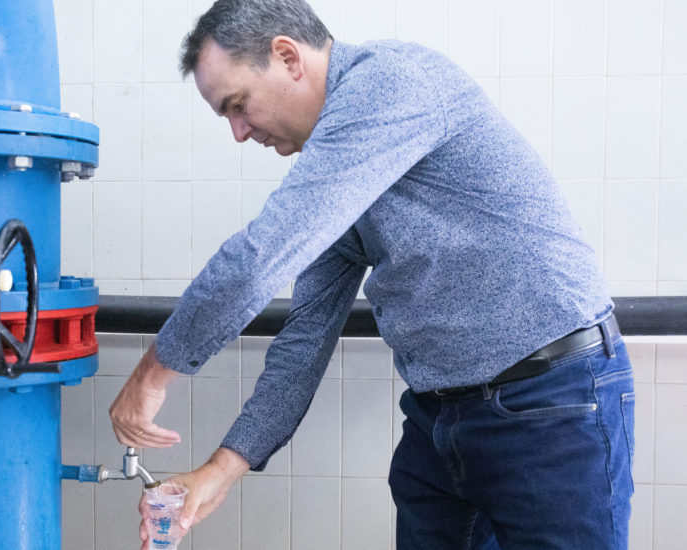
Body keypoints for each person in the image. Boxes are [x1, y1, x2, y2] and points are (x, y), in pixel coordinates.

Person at [109, 0, 635, 548]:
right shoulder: (337, 178)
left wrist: (152, 373)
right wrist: (217, 471)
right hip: (440, 421)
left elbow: (260, 256)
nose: (239, 133)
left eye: (238, 106)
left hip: (550, 401)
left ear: (288, 56)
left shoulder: (391, 82)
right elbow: (303, 343)